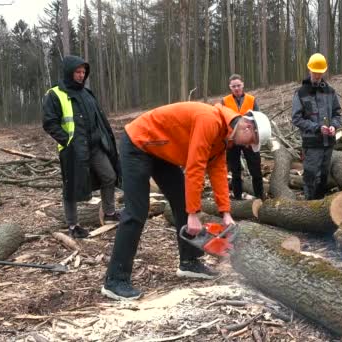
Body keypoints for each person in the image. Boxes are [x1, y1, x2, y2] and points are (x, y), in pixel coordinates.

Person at [101, 102, 271, 301]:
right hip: (140, 142)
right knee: (137, 210)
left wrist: (226, 213)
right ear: (248, 127)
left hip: (161, 150)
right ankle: (115, 280)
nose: (249, 146)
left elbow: (217, 171)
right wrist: (193, 214)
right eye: (252, 141)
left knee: (182, 201)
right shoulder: (210, 120)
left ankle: (189, 262)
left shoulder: (224, 137)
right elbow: (195, 167)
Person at [42, 55, 120, 239]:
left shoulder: (87, 93)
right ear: (69, 72)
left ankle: (109, 213)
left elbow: (98, 118)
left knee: (110, 176)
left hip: (94, 146)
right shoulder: (54, 94)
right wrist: (67, 141)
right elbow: (49, 123)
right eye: (77, 72)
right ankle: (73, 225)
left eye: (83, 72)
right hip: (72, 149)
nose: (81, 75)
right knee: (71, 186)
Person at [292, 53, 342, 200]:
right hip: (312, 142)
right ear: (309, 70)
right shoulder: (301, 92)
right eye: (315, 72)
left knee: (324, 175)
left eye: (320, 73)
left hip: (328, 142)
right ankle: (309, 204)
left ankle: (320, 206)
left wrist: (334, 126)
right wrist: (316, 127)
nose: (318, 76)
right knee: (311, 175)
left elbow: (337, 113)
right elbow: (296, 118)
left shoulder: (330, 91)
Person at [222, 74, 264, 200]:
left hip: (249, 140)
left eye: (238, 85)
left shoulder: (251, 99)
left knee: (255, 169)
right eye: (233, 86)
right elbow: (221, 119)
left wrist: (255, 136)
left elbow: (258, 118)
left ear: (243, 85)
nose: (236, 88)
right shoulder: (225, 101)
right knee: (235, 172)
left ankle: (259, 196)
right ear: (230, 87)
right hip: (232, 140)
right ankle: (238, 197)